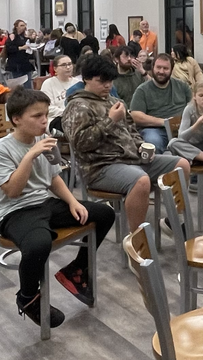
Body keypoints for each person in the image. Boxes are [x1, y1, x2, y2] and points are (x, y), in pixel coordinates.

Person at [0, 87, 116, 329]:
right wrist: (29, 156)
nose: (44, 120)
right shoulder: (1, 149)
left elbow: (53, 179)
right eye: (37, 116)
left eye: (45, 114)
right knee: (39, 243)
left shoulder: (42, 142)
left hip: (43, 203)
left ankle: (77, 269)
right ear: (16, 119)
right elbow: (13, 191)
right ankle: (27, 297)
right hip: (14, 212)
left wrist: (73, 201)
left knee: (103, 213)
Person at [62, 55, 189, 232]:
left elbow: (132, 130)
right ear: (87, 79)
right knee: (141, 181)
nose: (108, 86)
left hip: (131, 159)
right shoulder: (77, 106)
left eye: (110, 81)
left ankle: (172, 220)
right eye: (102, 81)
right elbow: (81, 144)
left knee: (181, 165)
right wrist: (110, 120)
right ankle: (136, 240)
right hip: (100, 167)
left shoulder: (115, 102)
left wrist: (141, 146)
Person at [129, 53, 193, 154]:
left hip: (181, 128)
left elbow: (193, 107)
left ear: (171, 70)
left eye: (165, 68)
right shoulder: (142, 90)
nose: (161, 71)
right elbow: (135, 115)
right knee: (153, 142)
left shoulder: (182, 86)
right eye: (158, 67)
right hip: (155, 130)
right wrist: (164, 122)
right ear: (152, 68)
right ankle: (160, 168)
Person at [40, 54, 81, 134]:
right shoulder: (48, 83)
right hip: (56, 119)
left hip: (78, 118)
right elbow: (47, 108)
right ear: (55, 68)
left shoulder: (78, 83)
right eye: (64, 65)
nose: (68, 67)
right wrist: (67, 112)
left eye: (69, 64)